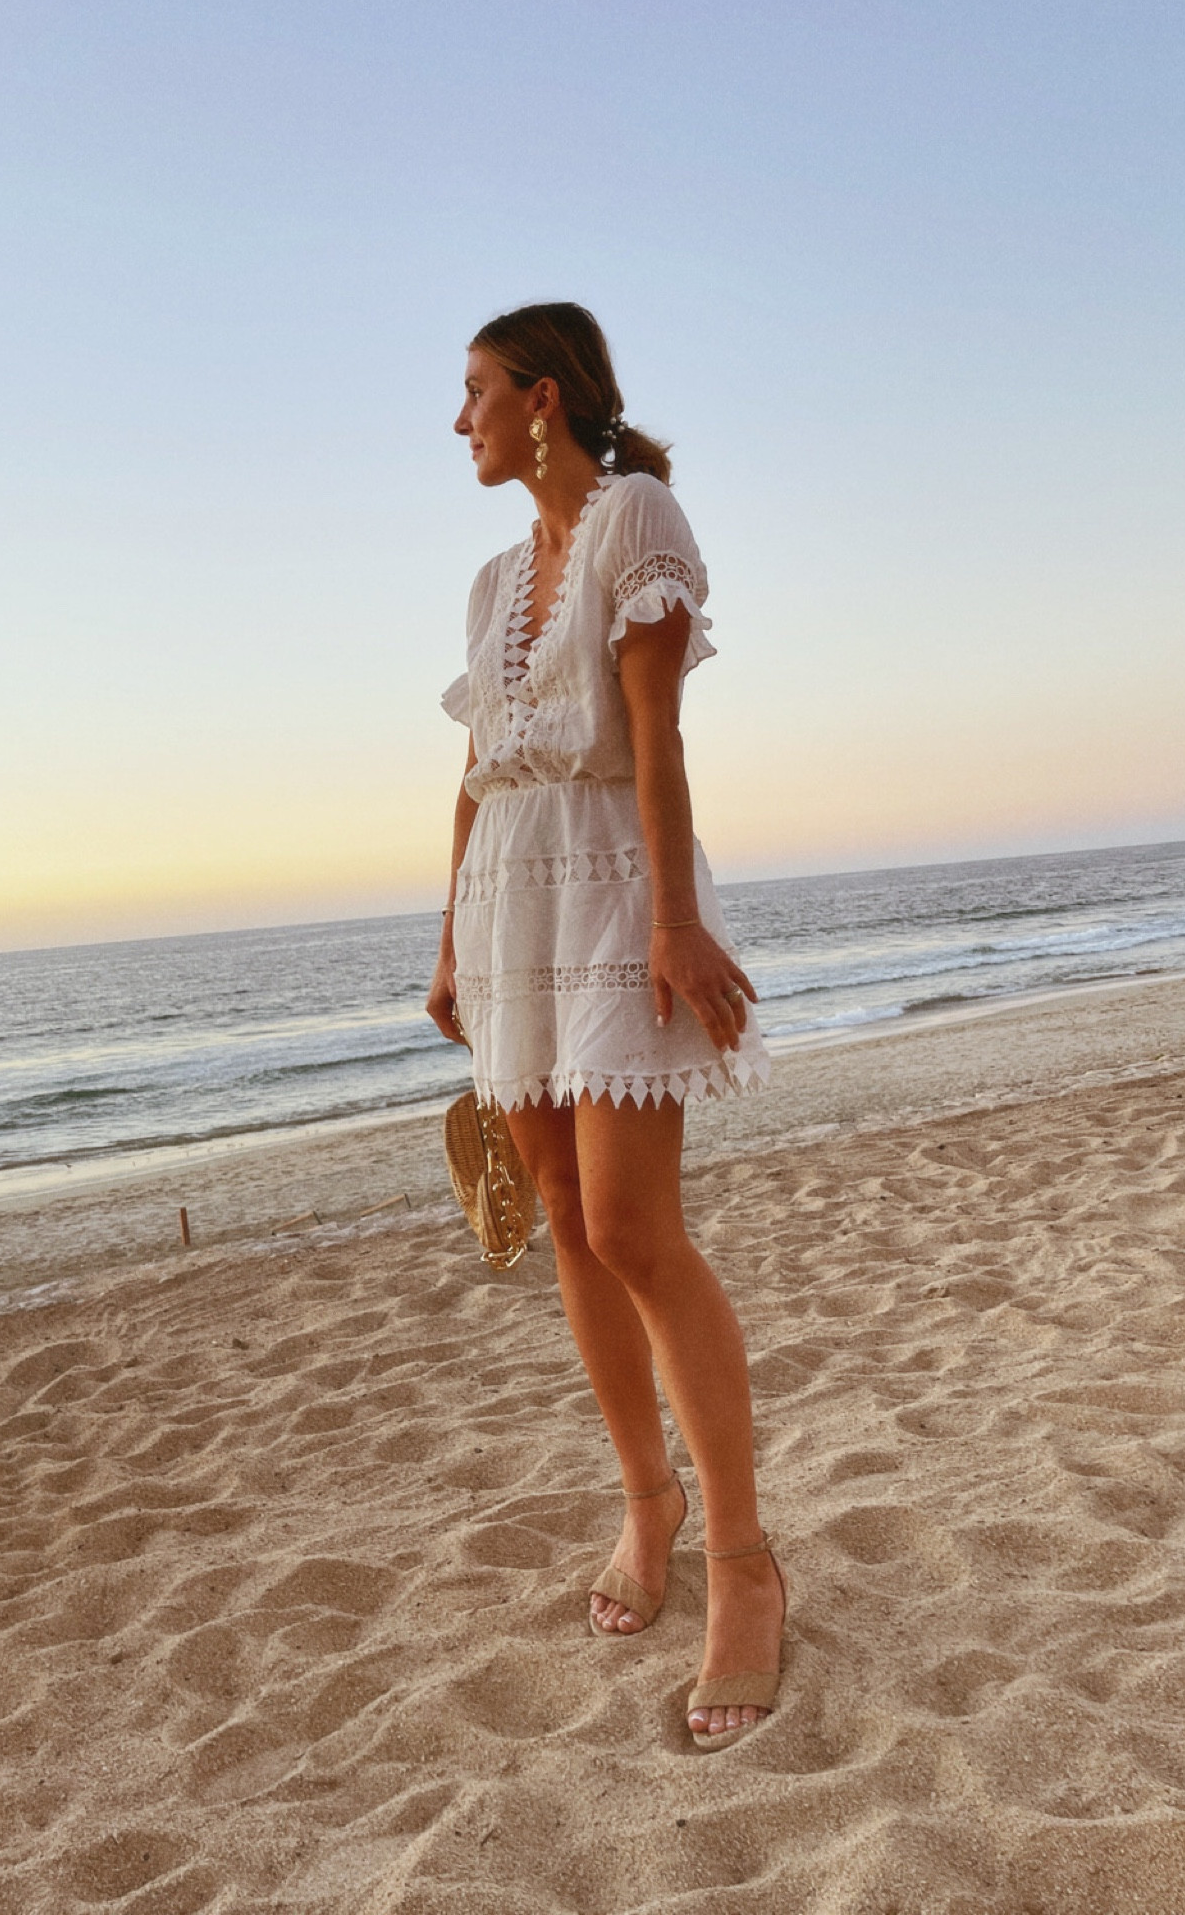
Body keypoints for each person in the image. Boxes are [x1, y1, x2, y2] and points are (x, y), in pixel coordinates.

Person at [426, 302, 785, 1750]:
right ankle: (649, 1501)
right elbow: (475, 772)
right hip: (510, 909)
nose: (459, 420)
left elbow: (658, 740)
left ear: (545, 398)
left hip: (617, 891)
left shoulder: (639, 518)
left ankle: (745, 1563)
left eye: (476, 391)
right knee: (567, 1220)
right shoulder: (490, 579)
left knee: (638, 1228)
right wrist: (450, 938)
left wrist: (675, 923)